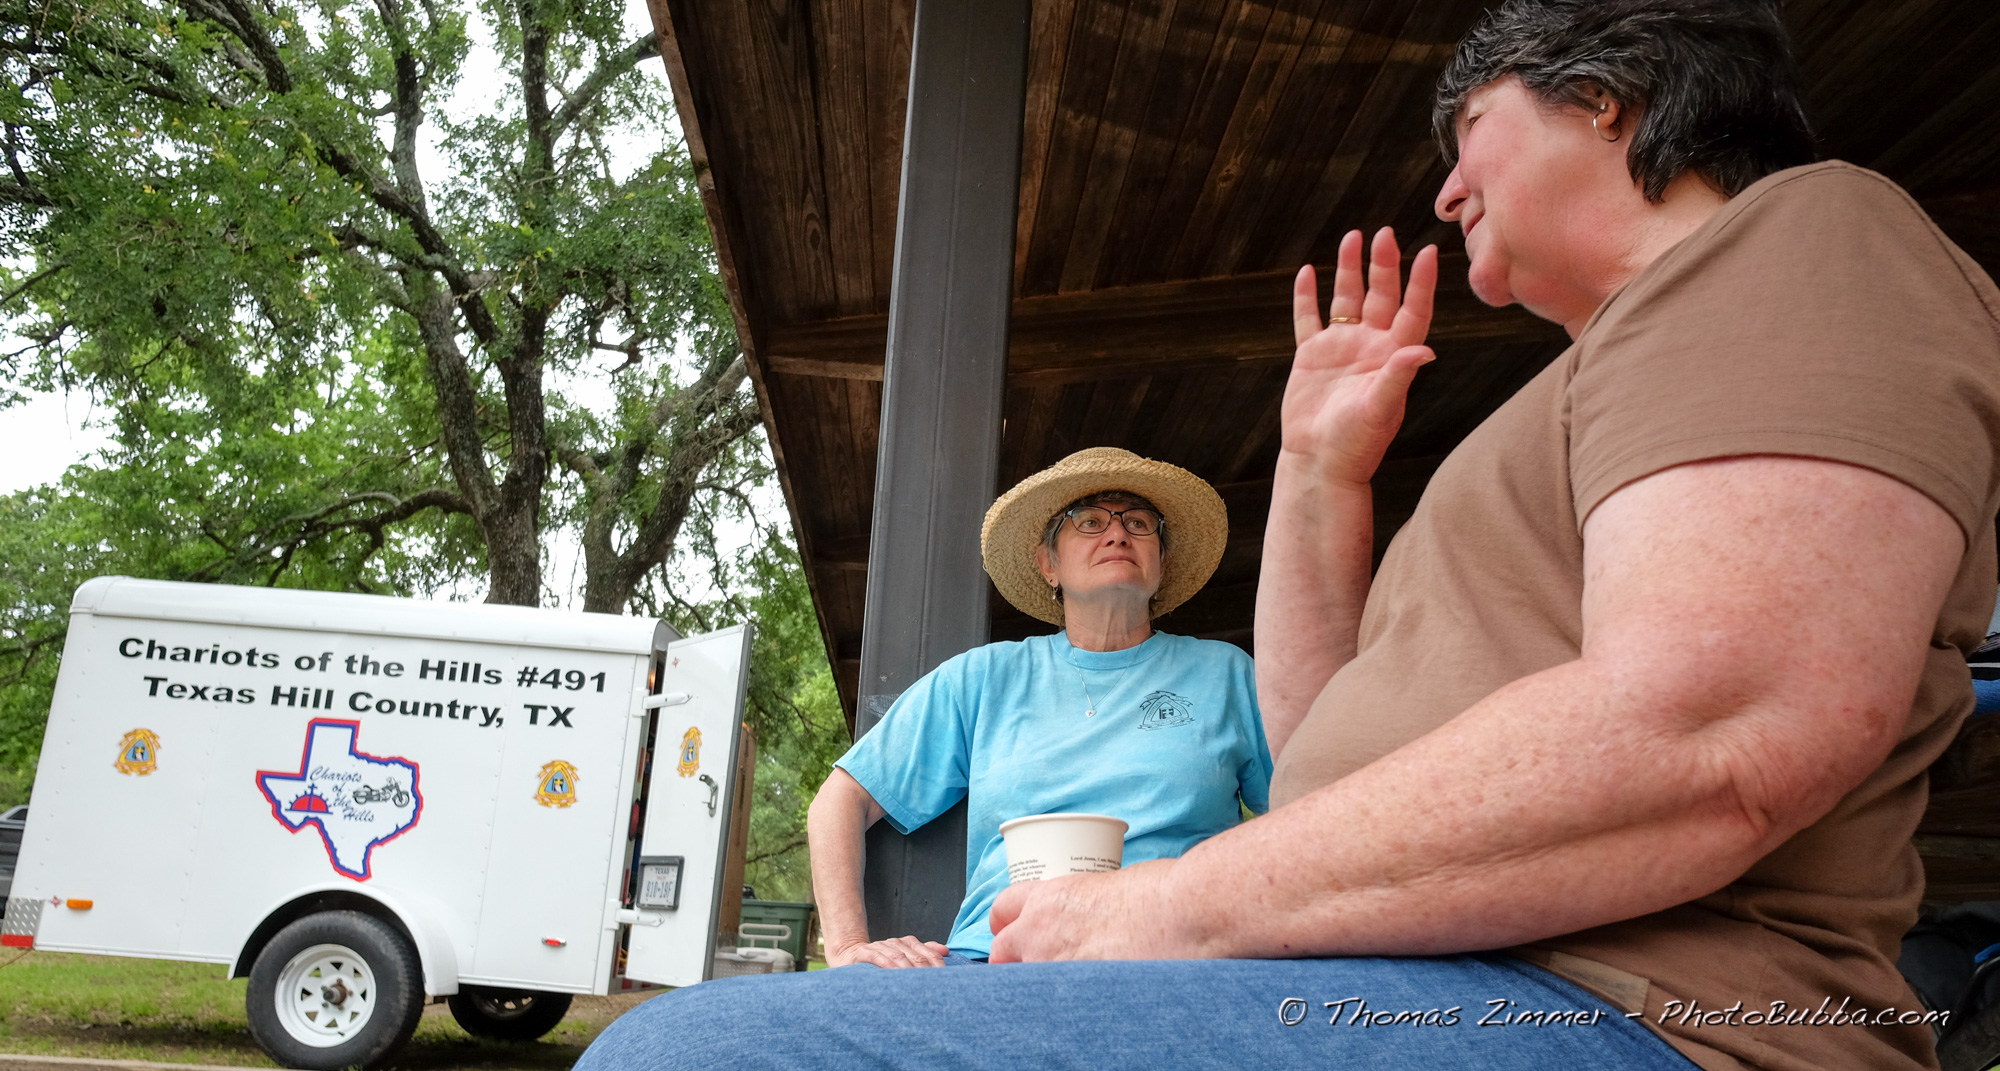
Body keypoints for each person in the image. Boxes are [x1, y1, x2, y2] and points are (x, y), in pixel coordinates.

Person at [575, 2, 2000, 1069]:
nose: (1445, 190)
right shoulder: (1602, 386)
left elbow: (1718, 728)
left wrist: (1169, 905)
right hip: (1412, 975)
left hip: (1642, 1006)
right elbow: (1327, 757)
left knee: (695, 1055)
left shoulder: (1804, 237)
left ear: (1605, 96)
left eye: (1467, 132)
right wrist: (1320, 471)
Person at [805, 445, 1272, 968]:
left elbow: (1307, 809)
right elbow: (840, 799)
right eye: (1089, 521)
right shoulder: (983, 678)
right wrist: (848, 945)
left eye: (1140, 524)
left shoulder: (1227, 674)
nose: (1118, 534)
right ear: (1049, 565)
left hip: (1175, 953)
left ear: (1160, 564)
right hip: (998, 958)